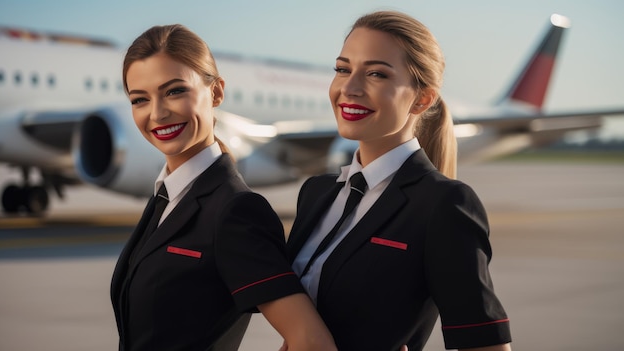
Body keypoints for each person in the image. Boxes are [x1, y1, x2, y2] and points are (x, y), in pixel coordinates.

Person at [287, 10, 512, 351]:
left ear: (422, 99)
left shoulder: (444, 204)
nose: (349, 87)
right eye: (342, 69)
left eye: (376, 73)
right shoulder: (316, 193)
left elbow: (485, 344)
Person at [109, 24, 336, 351]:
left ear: (216, 93)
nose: (157, 113)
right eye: (140, 99)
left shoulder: (235, 211)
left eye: (174, 91)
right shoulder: (167, 197)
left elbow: (310, 340)